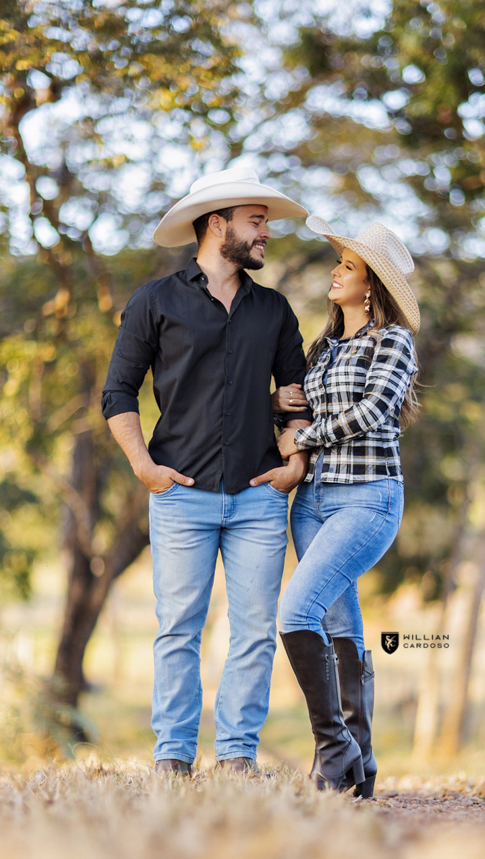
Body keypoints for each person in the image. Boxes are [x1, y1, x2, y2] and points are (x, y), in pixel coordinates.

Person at [101, 166, 312, 776]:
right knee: (178, 631)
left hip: (258, 495)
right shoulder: (155, 301)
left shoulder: (272, 310)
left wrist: (294, 465)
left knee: (252, 632)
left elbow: (296, 399)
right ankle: (171, 757)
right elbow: (118, 393)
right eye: (256, 221)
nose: (266, 232)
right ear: (217, 225)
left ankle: (237, 757)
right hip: (180, 495)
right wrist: (144, 468)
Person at [253, 216, 420, 798]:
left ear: (371, 283)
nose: (336, 271)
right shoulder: (324, 347)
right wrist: (280, 407)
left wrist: (302, 438)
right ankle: (362, 764)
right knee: (339, 623)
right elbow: (302, 410)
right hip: (313, 501)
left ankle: (333, 748)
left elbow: (374, 413)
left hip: (368, 500)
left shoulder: (393, 342)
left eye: (347, 266)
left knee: (295, 613)